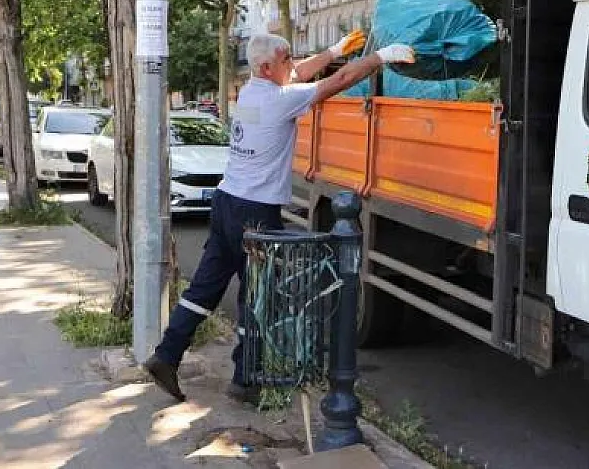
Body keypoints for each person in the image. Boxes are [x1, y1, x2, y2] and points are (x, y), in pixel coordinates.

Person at [144, 30, 414, 402]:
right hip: (255, 211)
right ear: (268, 66)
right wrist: (380, 58)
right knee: (259, 296)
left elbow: (299, 74)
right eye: (286, 58)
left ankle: (166, 355)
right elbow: (340, 80)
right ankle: (246, 379)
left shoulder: (252, 92)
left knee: (205, 287)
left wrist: (334, 50)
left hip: (227, 202)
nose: (292, 64)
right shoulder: (279, 100)